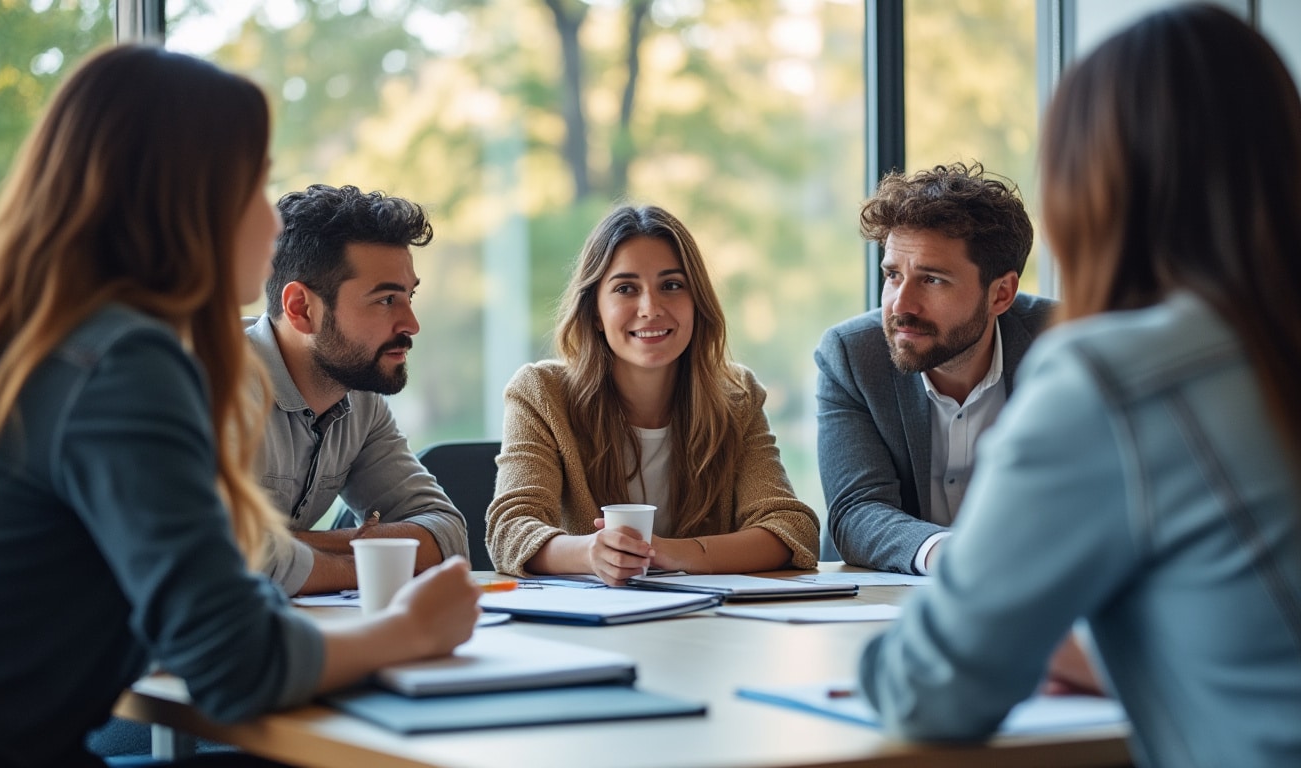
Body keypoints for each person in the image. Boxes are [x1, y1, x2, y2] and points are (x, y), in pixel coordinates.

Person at [0, 45, 480, 768]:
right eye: (256, 188)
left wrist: (300, 557)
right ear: (182, 199)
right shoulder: (124, 367)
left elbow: (240, 586)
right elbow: (237, 659)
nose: (272, 227)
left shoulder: (48, 343)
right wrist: (412, 630)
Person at [857, 6, 1301, 766]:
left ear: (1090, 183)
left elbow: (926, 692)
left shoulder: (1115, 377)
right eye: (894, 276)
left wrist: (1037, 633)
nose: (901, 302)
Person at [486, 205, 818, 584]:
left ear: (697, 303)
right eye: (626, 289)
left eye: (671, 286)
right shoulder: (541, 393)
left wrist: (668, 552)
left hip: (710, 625)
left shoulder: (737, 398)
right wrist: (589, 552)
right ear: (595, 310)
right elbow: (508, 531)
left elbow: (792, 528)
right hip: (587, 631)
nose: (650, 308)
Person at [815, 162, 1054, 574]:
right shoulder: (851, 356)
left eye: (932, 280)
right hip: (881, 605)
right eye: (893, 275)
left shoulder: (1062, 344)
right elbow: (857, 511)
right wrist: (951, 556)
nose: (900, 305)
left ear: (1001, 293)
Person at [251, 184, 467, 596]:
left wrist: (298, 552)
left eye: (409, 295)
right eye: (386, 299)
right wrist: (372, 557)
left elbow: (446, 535)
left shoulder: (360, 397)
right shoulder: (213, 386)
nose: (411, 324)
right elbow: (224, 557)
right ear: (301, 308)